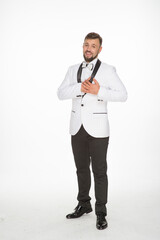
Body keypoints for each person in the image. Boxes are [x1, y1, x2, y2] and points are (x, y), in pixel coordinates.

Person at [57, 32, 127, 230]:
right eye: (86, 44)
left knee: (99, 171)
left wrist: (99, 91)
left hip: (98, 128)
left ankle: (101, 211)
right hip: (76, 126)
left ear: (99, 49)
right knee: (80, 169)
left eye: (93, 46)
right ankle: (84, 204)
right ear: (83, 46)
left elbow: (123, 95)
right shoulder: (72, 70)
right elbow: (61, 93)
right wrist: (81, 87)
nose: (89, 48)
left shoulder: (108, 70)